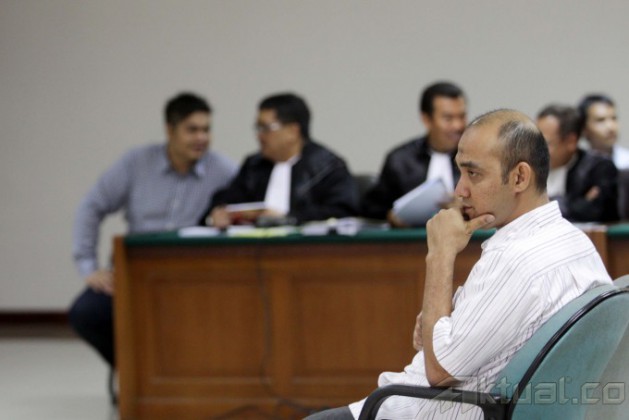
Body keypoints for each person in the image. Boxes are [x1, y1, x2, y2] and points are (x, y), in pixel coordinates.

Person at [306, 109, 612, 420]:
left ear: (519, 177)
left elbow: (440, 372)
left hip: (432, 409)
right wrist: (438, 324)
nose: (459, 190)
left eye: (473, 174)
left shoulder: (515, 258)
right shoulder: (575, 242)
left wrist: (440, 253)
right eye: (460, 172)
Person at [69, 92, 237, 367]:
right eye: (192, 130)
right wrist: (88, 267)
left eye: (206, 130)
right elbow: (92, 206)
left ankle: (174, 375)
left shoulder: (224, 171)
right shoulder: (136, 163)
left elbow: (243, 216)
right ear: (170, 130)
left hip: (191, 277)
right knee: (86, 313)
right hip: (134, 273)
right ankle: (134, 372)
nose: (201, 138)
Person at [202, 92, 358, 227]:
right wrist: (219, 214)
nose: (259, 136)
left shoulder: (327, 167)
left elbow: (342, 212)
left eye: (265, 128)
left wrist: (288, 218)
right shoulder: (254, 166)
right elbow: (227, 201)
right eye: (258, 128)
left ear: (293, 131)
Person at [361, 81, 467, 225]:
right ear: (426, 119)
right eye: (448, 118)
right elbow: (372, 207)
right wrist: (390, 216)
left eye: (462, 117)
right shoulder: (400, 160)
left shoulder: (475, 159)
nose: (458, 126)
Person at [537, 104, 619, 222]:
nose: (536, 150)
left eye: (545, 143)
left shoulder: (598, 168)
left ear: (571, 141)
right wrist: (576, 204)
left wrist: (549, 206)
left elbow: (591, 212)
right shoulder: (531, 169)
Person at [577, 93, 629, 169]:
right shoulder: (579, 168)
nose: (611, 127)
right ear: (584, 128)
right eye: (600, 120)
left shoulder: (626, 162)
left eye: (614, 118)